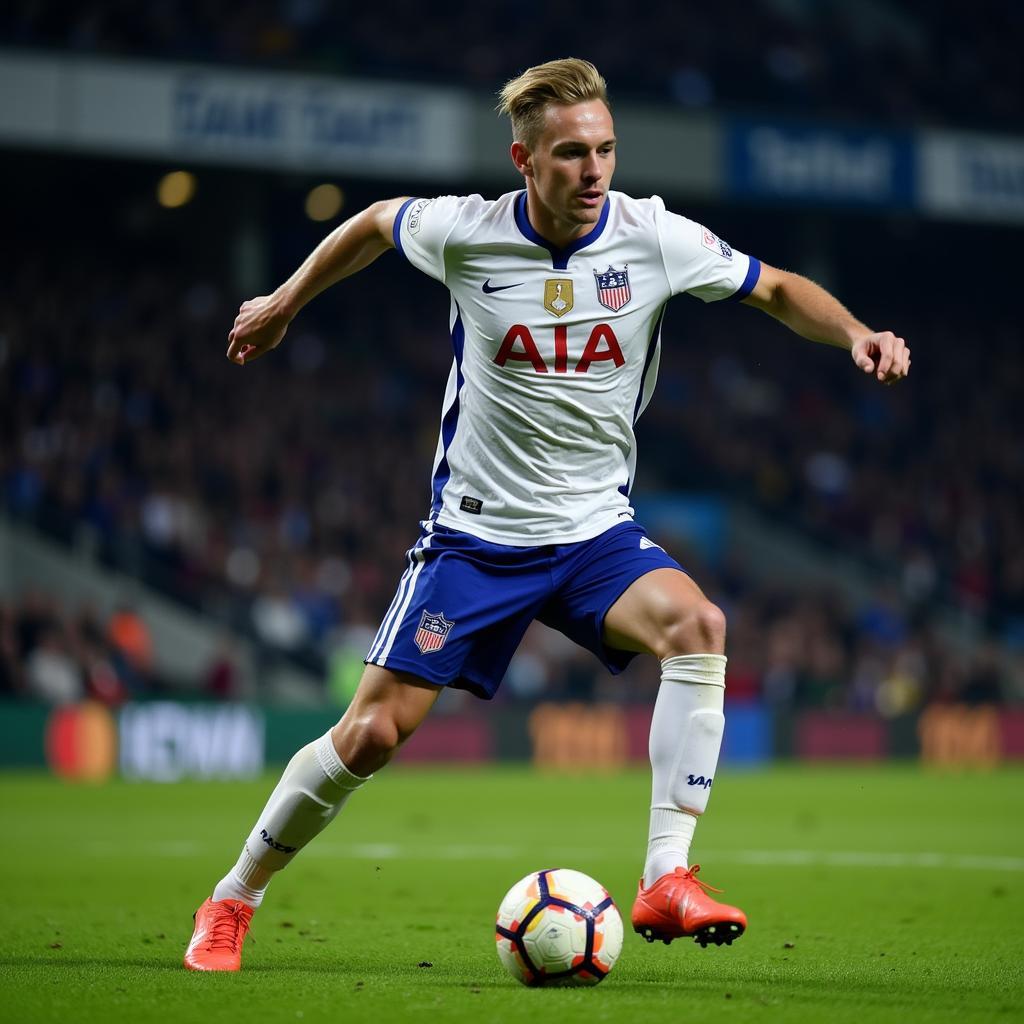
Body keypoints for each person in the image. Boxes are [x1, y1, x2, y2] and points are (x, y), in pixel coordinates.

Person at [184, 57, 910, 971]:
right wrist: (286, 302)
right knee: (369, 734)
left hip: (593, 531)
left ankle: (665, 878)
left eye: (605, 149)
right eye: (572, 154)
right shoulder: (466, 233)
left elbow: (772, 286)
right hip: (477, 537)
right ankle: (232, 899)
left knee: (699, 625)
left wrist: (856, 332)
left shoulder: (652, 237)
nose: (594, 170)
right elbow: (371, 224)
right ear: (523, 159)